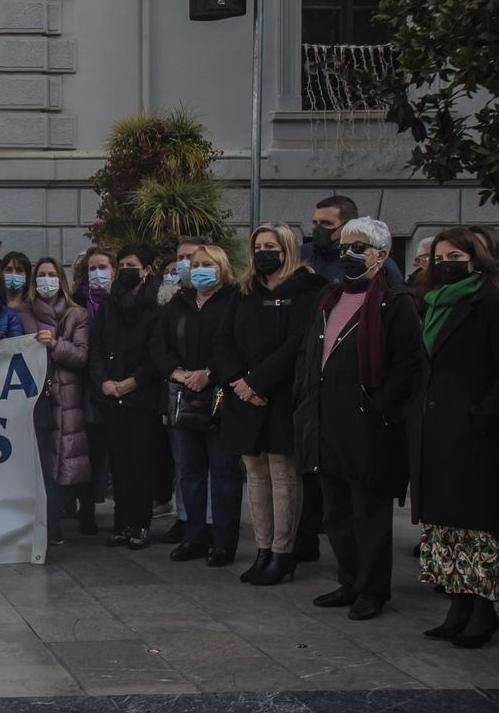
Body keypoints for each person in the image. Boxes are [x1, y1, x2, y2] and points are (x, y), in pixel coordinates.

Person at [294, 217, 422, 622]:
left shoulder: (394, 301)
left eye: (358, 247)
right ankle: (348, 581)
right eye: (345, 246)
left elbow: (408, 363)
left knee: (369, 514)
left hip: (370, 426)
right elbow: (313, 355)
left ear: (381, 255)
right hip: (326, 421)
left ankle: (372, 589)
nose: (349, 253)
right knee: (336, 514)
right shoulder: (331, 296)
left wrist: (379, 405)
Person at [212, 223, 328, 585]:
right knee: (256, 476)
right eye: (258, 246)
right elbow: (222, 340)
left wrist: (257, 382)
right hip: (244, 396)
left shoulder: (308, 289)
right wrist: (238, 382)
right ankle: (262, 550)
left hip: (282, 395)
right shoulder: (245, 291)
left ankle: (283, 552)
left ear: (288, 250)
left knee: (283, 477)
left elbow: (298, 342)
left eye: (271, 247)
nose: (264, 253)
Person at [410, 227, 499, 647]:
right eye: (439, 256)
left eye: (454, 256)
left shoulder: (489, 301)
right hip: (435, 429)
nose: (444, 263)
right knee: (443, 525)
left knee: (474, 525)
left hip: (473, 432)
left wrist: (481, 416)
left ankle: (483, 609)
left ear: (475, 259)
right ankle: (457, 604)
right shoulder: (433, 303)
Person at [150, 244, 241, 567]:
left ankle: (223, 539)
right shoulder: (179, 301)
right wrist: (177, 372)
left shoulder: (234, 301)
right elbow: (158, 343)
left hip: (219, 396)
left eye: (207, 263)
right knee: (190, 470)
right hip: (183, 396)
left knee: (223, 471)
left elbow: (236, 343)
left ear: (222, 268)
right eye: (195, 262)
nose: (199, 267)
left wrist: (209, 373)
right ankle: (194, 535)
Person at [89, 245, 170, 550]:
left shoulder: (158, 304)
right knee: (120, 464)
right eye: (121, 264)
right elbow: (95, 344)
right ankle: (122, 523)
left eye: (132, 264)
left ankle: (140, 524)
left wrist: (134, 381)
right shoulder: (110, 304)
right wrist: (104, 381)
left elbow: (157, 349)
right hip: (112, 395)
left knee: (141, 463)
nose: (126, 269)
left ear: (147, 270)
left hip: (142, 396)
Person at [26, 257, 90, 547]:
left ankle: (56, 524)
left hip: (66, 399)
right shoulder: (22, 313)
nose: (47, 280)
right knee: (39, 461)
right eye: (41, 275)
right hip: (37, 398)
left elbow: (81, 356)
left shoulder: (77, 315)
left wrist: (55, 345)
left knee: (59, 462)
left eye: (52, 274)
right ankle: (46, 524)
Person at [71, 247, 115, 536]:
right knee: (91, 451)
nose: (97, 273)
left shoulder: (121, 301)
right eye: (92, 268)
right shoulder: (76, 303)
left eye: (103, 267)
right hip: (86, 386)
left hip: (119, 385)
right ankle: (85, 509)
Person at [302, 195, 404, 282]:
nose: (318, 229)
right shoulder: (302, 253)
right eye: (315, 223)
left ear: (347, 226)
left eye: (327, 223)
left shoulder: (374, 262)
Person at [158, 236, 206, 306]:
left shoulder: (222, 297)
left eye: (190, 257)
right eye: (180, 258)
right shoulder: (174, 299)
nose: (184, 262)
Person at [1, 251, 33, 325]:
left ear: (27, 276)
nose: (13, 274)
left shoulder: (34, 306)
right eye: (9, 270)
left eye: (19, 270)